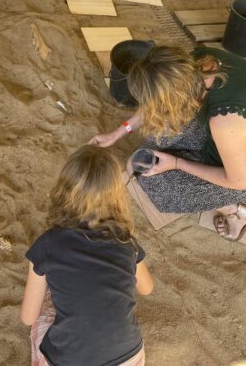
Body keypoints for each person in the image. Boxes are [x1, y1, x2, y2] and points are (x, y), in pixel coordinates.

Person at [90, 46, 246, 242]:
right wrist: (118, 133)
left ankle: (234, 210)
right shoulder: (198, 60)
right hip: (241, 134)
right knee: (157, 140)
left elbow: (241, 181)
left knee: (153, 180)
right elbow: (158, 102)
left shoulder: (224, 119)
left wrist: (176, 163)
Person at [20, 145, 153, 366]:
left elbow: (27, 318)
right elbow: (147, 288)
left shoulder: (48, 243)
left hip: (68, 361)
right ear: (116, 196)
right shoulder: (126, 241)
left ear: (64, 190)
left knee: (44, 311)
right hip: (129, 358)